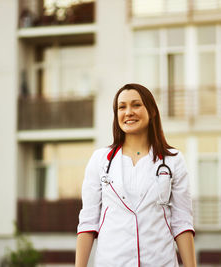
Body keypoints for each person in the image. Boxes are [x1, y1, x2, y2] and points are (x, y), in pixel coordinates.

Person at [75, 83, 196, 267]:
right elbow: (88, 222)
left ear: (152, 111)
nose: (128, 112)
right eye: (122, 107)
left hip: (160, 262)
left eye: (136, 105)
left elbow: (182, 223)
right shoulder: (100, 160)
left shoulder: (173, 160)